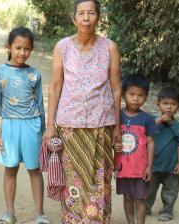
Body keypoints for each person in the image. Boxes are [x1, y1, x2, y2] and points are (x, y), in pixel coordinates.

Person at [43, 0, 122, 223]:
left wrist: (116, 126)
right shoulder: (62, 47)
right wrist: (50, 127)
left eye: (91, 13)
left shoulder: (110, 47)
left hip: (101, 125)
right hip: (69, 126)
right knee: (73, 180)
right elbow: (55, 87)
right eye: (81, 13)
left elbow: (116, 88)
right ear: (73, 18)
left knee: (100, 180)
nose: (86, 18)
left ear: (99, 17)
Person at [0, 27, 49, 224]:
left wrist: (45, 131)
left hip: (32, 126)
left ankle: (40, 214)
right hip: (10, 127)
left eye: (27, 49)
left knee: (35, 170)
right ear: (8, 46)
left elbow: (40, 103)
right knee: (10, 170)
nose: (22, 53)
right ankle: (9, 213)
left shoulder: (35, 74)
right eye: (18, 48)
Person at [114, 74, 159, 224]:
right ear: (123, 94)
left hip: (140, 169)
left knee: (140, 199)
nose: (136, 99)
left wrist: (149, 167)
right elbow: (112, 138)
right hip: (123, 168)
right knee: (127, 197)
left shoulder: (148, 119)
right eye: (132, 94)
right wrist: (115, 144)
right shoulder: (117, 116)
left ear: (146, 97)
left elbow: (151, 143)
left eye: (140, 95)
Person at [146, 87, 179, 221]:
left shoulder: (178, 126)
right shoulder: (152, 120)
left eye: (173, 104)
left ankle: (166, 211)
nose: (169, 107)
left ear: (178, 107)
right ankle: (145, 209)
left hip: (171, 167)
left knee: (171, 191)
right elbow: (144, 132)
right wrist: (158, 120)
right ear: (158, 104)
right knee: (149, 190)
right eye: (165, 103)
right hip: (153, 166)